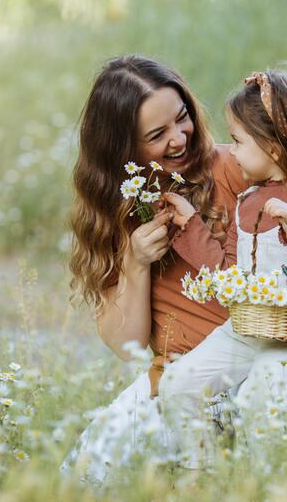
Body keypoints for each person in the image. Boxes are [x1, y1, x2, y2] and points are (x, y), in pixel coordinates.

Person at [63, 55, 247, 483]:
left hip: (249, 364)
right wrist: (135, 263)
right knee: (82, 475)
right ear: (122, 149)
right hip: (176, 381)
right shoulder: (118, 212)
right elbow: (125, 342)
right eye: (156, 135)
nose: (179, 139)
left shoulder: (235, 168)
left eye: (182, 119)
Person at [159, 70, 287, 468]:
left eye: (238, 141)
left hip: (282, 339)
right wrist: (190, 224)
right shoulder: (248, 200)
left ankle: (269, 485)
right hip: (246, 329)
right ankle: (208, 476)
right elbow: (225, 270)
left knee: (258, 401)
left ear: (273, 148)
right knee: (178, 385)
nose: (230, 152)